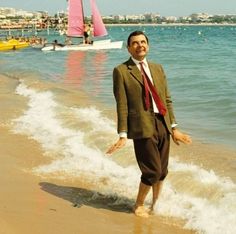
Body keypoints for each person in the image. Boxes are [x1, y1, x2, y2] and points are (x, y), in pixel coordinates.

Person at [106, 31, 192, 218]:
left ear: (148, 45)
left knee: (162, 171)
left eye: (143, 42)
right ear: (129, 48)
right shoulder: (121, 71)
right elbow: (122, 104)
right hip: (141, 126)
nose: (140, 45)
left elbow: (167, 100)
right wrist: (122, 133)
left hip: (163, 123)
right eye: (135, 43)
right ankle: (138, 205)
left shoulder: (158, 68)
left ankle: (156, 203)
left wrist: (174, 128)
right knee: (152, 171)